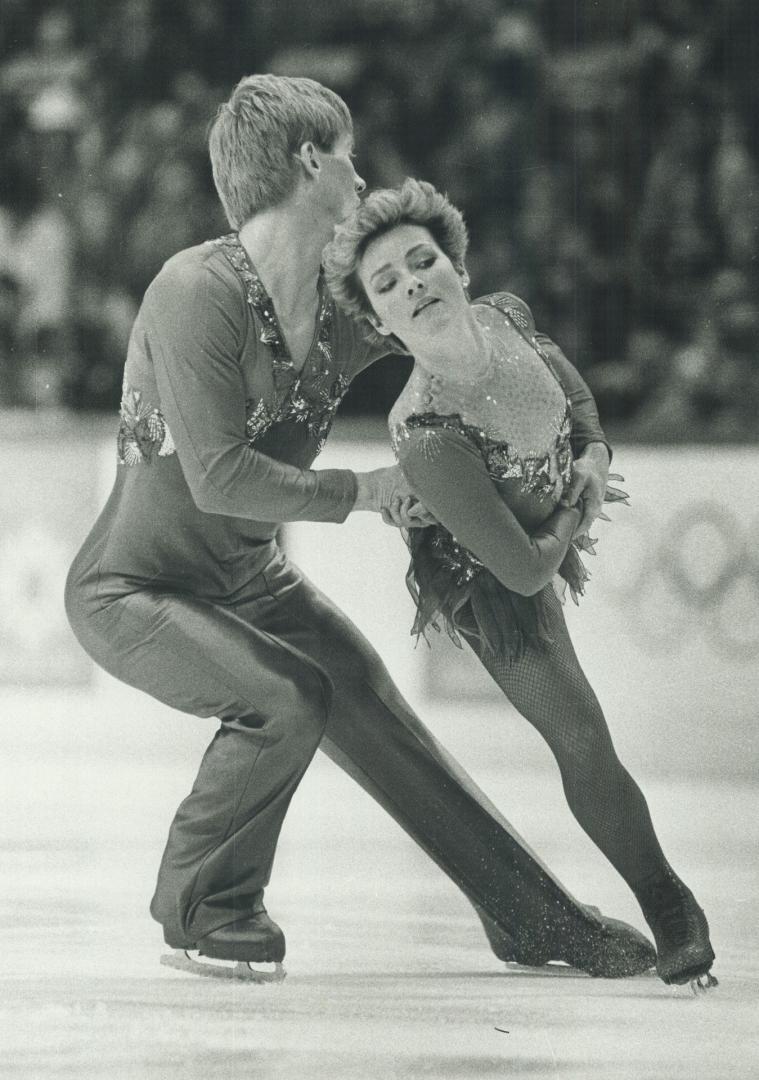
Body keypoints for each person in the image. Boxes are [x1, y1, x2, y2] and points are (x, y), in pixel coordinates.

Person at [65, 75, 653, 983]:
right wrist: (370, 490)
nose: (359, 175)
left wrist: (573, 434)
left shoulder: (345, 307)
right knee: (288, 697)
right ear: (311, 162)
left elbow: (480, 326)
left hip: (253, 585)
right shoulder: (194, 291)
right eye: (351, 157)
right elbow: (219, 478)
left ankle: (532, 918)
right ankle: (203, 907)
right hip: (134, 589)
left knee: (370, 706)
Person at [323, 178, 717, 991]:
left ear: (458, 267)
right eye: (387, 285)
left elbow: (574, 399)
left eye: (421, 261)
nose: (412, 285)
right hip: (488, 579)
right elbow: (524, 567)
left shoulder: (506, 314)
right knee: (580, 736)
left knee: (587, 733)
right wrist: (578, 499)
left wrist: (596, 454)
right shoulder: (425, 431)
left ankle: (523, 918)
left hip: (542, 514)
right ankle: (668, 903)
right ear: (380, 325)